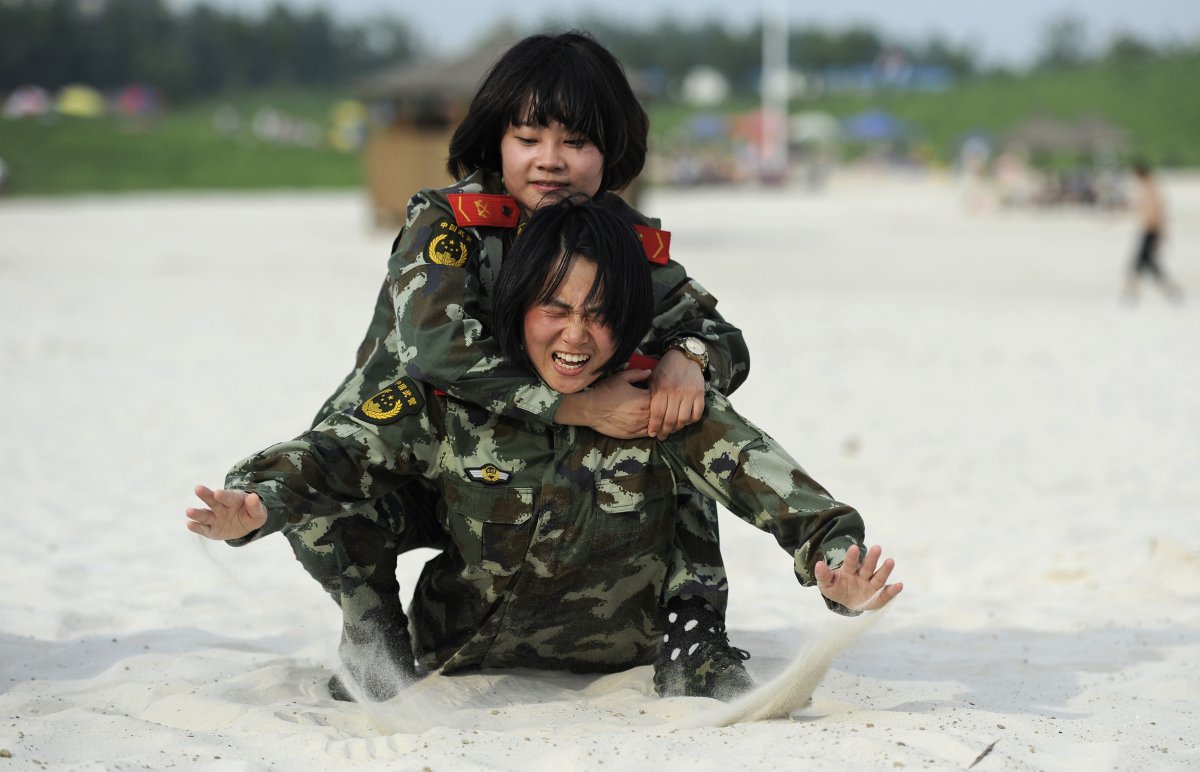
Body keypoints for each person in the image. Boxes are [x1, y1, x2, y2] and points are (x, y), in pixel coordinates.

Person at [188, 197, 902, 704]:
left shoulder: (662, 405)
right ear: (516, 307)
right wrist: (258, 503)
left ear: (631, 320)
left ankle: (697, 652)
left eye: (601, 315)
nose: (576, 337)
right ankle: (374, 646)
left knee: (690, 473)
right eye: (554, 309)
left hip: (629, 649)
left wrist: (838, 568)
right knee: (325, 499)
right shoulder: (453, 405)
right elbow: (335, 453)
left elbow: (784, 494)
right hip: (459, 654)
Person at [239, 32, 751, 699]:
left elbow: (719, 331)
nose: (551, 161)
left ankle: (695, 637)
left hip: (529, 469)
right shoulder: (451, 225)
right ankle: (373, 632)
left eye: (576, 142)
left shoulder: (617, 238)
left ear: (611, 149)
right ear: (495, 139)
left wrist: (689, 358)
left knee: (672, 419)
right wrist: (578, 406)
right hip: (418, 455)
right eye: (529, 137)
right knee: (317, 495)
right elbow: (439, 351)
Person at [1123, 160, 1184, 304]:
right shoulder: (1147, 186)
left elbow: (1158, 211)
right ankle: (1135, 291)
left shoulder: (1150, 187)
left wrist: (1161, 232)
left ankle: (1134, 291)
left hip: (1152, 229)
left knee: (1142, 262)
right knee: (1146, 263)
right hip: (1148, 229)